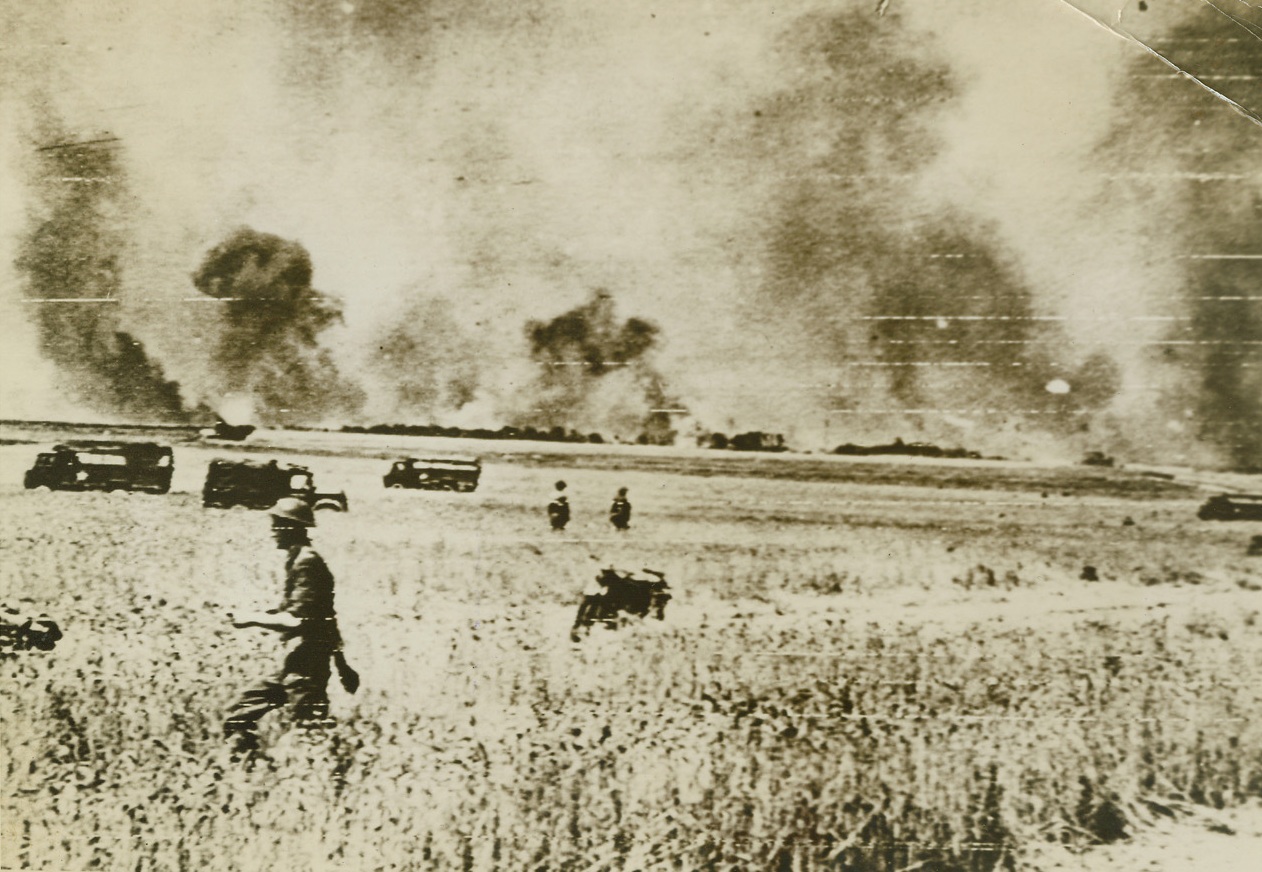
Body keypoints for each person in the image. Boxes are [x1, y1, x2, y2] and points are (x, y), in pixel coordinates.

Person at [223, 497, 357, 759]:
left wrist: (250, 618)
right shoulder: (298, 559)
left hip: (306, 667)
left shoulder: (307, 563)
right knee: (238, 713)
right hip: (295, 664)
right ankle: (250, 771)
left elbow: (297, 620)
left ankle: (330, 780)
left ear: (291, 527)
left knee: (311, 733)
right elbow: (325, 617)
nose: (272, 531)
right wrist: (342, 666)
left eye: (276, 525)